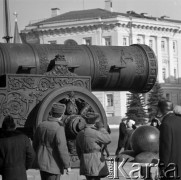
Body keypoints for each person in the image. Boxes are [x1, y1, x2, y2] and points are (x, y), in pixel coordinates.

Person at [33, 102, 71, 180]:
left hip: (41, 162)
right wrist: (67, 165)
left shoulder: (41, 125)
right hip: (54, 164)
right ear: (62, 114)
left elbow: (35, 144)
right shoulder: (59, 128)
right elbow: (62, 148)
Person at [76, 112, 111, 180]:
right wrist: (101, 128)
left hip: (85, 159)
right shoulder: (94, 133)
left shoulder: (80, 133)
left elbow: (78, 150)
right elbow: (108, 139)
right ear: (94, 121)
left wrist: (83, 158)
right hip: (95, 160)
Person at [0, 115, 35, 180]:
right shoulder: (24, 138)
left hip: (7, 174)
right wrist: (25, 167)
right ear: (14, 126)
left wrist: (3, 170)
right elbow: (31, 155)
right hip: (21, 173)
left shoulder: (1, 142)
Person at [157, 100, 181, 179]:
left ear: (160, 110)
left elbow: (165, 149)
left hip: (171, 168)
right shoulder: (179, 120)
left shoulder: (166, 124)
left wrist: (162, 167)